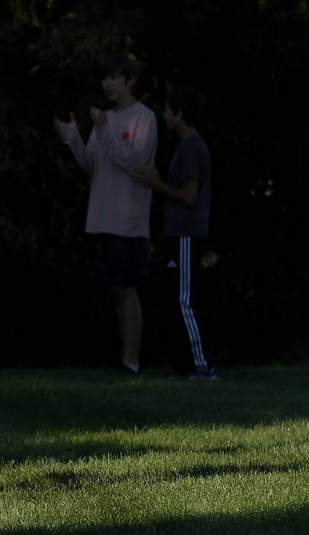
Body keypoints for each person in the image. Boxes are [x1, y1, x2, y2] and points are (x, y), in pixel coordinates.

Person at [54, 55, 158, 375]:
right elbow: (92, 166)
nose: (108, 84)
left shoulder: (145, 118)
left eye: (115, 78)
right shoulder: (104, 120)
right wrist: (72, 137)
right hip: (100, 218)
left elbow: (136, 163)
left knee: (126, 288)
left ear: (130, 81)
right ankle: (124, 359)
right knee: (115, 291)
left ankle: (132, 361)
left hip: (129, 221)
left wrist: (104, 130)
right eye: (105, 78)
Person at [131, 85, 218, 379]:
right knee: (174, 299)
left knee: (184, 299)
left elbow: (189, 195)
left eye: (168, 111)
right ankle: (183, 365)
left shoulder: (192, 147)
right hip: (176, 233)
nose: (165, 116)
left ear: (179, 115)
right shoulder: (185, 146)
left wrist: (158, 186)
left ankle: (201, 364)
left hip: (186, 234)